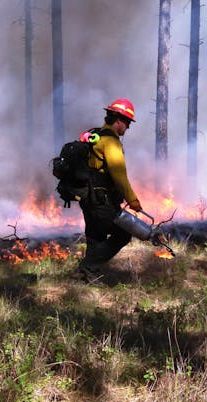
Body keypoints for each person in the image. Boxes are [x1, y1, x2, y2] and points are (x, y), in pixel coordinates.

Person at [75, 98, 143, 284]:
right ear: (119, 119)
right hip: (101, 199)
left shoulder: (93, 135)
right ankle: (88, 266)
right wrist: (133, 201)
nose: (128, 127)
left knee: (96, 235)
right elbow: (119, 176)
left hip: (87, 197)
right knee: (122, 234)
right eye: (127, 122)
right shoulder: (111, 143)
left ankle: (87, 277)